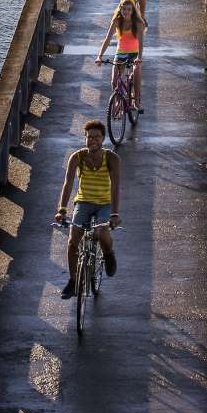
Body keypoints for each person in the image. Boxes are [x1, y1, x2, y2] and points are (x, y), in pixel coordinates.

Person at [55, 119, 121, 299]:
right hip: (83, 202)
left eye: (97, 137)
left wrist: (115, 214)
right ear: (85, 138)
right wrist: (61, 209)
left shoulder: (112, 158)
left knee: (101, 232)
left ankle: (108, 255)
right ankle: (73, 279)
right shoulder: (77, 157)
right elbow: (68, 184)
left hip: (104, 204)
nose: (93, 140)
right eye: (89, 137)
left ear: (103, 139)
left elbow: (115, 186)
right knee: (72, 238)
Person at [96, 0, 144, 110]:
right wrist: (99, 56)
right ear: (120, 9)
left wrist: (139, 57)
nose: (126, 12)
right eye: (124, 9)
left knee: (137, 71)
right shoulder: (117, 21)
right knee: (114, 81)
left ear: (132, 11)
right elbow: (107, 39)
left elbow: (141, 42)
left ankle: (136, 101)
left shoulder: (138, 22)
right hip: (120, 53)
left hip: (134, 53)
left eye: (128, 9)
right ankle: (118, 101)